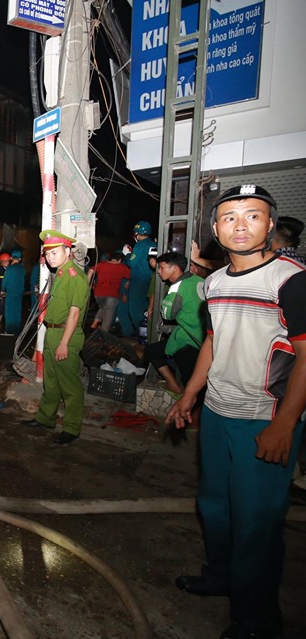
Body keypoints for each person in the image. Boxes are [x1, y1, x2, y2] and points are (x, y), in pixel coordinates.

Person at [166, 184, 306, 639]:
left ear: (270, 224)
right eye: (228, 217)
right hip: (219, 413)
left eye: (252, 215)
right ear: (214, 229)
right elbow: (212, 341)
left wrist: (284, 424)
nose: (240, 225)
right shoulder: (214, 283)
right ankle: (222, 577)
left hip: (265, 418)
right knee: (216, 506)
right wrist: (189, 395)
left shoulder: (290, 279)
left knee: (257, 523)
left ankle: (256, 620)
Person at [21, 230, 90, 445]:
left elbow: (74, 313)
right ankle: (46, 418)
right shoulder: (60, 274)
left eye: (54, 253)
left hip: (65, 336)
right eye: (47, 254)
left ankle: (71, 428)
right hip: (53, 332)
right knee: (51, 382)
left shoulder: (75, 277)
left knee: (69, 386)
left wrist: (64, 343)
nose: (50, 258)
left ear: (67, 251)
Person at [142, 252, 205, 396]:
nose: (158, 271)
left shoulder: (177, 287)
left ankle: (184, 402)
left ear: (175, 268)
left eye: (162, 268)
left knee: (192, 386)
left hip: (189, 339)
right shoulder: (198, 280)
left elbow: (167, 314)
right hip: (204, 336)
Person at [123, 220, 157, 334]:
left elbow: (132, 263)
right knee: (147, 308)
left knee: (135, 309)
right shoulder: (154, 244)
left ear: (137, 233)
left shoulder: (139, 245)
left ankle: (142, 335)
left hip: (138, 281)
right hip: (151, 280)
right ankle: (150, 333)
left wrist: (127, 254)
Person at [87, 251, 129, 332]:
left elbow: (90, 271)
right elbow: (133, 277)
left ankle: (94, 323)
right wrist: (128, 283)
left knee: (103, 307)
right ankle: (101, 338)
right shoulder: (122, 267)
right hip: (112, 295)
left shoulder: (101, 265)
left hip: (98, 294)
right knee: (107, 320)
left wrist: (87, 286)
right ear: (120, 260)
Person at [1, 249, 26, 336]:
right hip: (19, 292)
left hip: (11, 292)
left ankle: (9, 330)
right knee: (17, 310)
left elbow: (5, 280)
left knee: (9, 311)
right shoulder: (22, 269)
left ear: (11, 258)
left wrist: (2, 290)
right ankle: (17, 329)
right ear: (20, 259)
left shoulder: (10, 268)